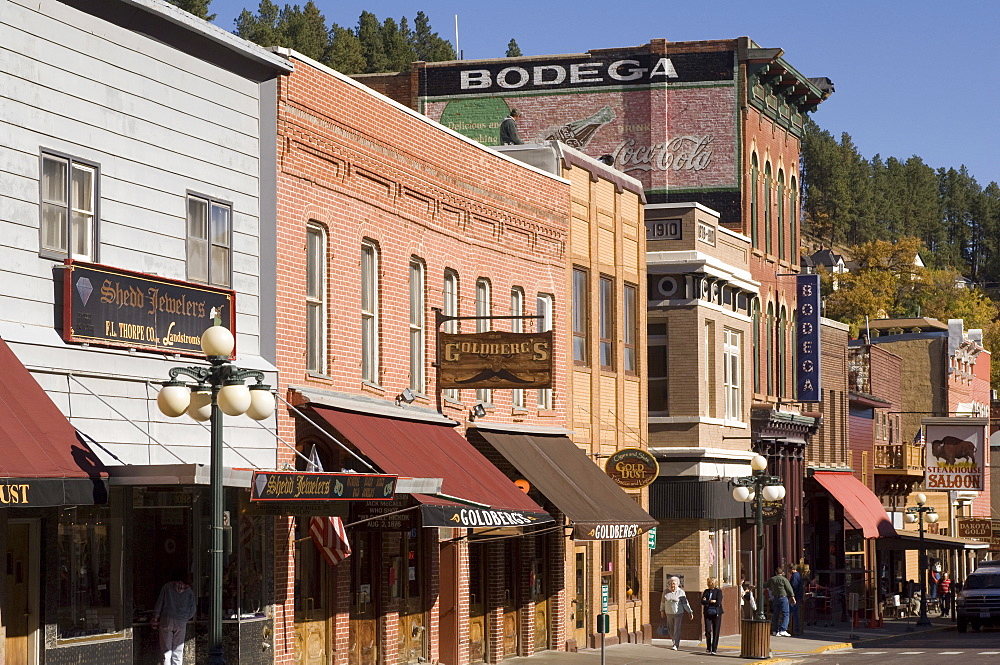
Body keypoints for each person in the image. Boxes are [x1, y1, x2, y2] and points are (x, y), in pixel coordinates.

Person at [152, 571, 198, 665]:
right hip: (181, 622)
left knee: (166, 651)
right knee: (178, 650)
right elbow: (193, 609)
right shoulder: (189, 591)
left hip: (166, 619)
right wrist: (185, 618)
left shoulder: (166, 587)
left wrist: (156, 618)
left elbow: (159, 603)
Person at [660, 576, 693, 651]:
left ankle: (676, 644)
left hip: (678, 613)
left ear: (677, 584)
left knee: (676, 629)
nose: (672, 585)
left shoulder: (681, 592)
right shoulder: (665, 592)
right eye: (671, 583)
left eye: (674, 583)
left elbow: (685, 603)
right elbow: (662, 602)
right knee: (670, 629)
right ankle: (674, 640)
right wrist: (662, 610)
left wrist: (690, 611)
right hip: (669, 613)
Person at [767, 566, 795, 637]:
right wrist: (793, 597)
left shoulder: (772, 579)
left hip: (775, 598)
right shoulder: (784, 579)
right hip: (783, 598)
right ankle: (783, 629)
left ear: (776, 572)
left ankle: (774, 630)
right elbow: (789, 589)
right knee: (786, 614)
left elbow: (765, 585)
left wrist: (755, 586)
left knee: (775, 614)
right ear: (782, 573)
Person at [701, 577, 724, 655]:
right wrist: (710, 601)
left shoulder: (718, 591)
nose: (708, 584)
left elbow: (718, 603)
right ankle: (708, 646)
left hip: (716, 613)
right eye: (708, 582)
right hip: (707, 613)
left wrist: (707, 602)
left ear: (714, 583)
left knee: (716, 631)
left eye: (710, 582)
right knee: (707, 630)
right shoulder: (706, 591)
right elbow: (702, 601)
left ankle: (714, 649)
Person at [787, 563, 804, 635]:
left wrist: (791, 596)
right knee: (795, 613)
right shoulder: (798, 575)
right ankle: (795, 628)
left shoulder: (794, 576)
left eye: (788, 569)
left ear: (791, 569)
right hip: (798, 596)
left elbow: (793, 587)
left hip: (795, 597)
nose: (788, 571)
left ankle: (794, 629)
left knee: (792, 613)